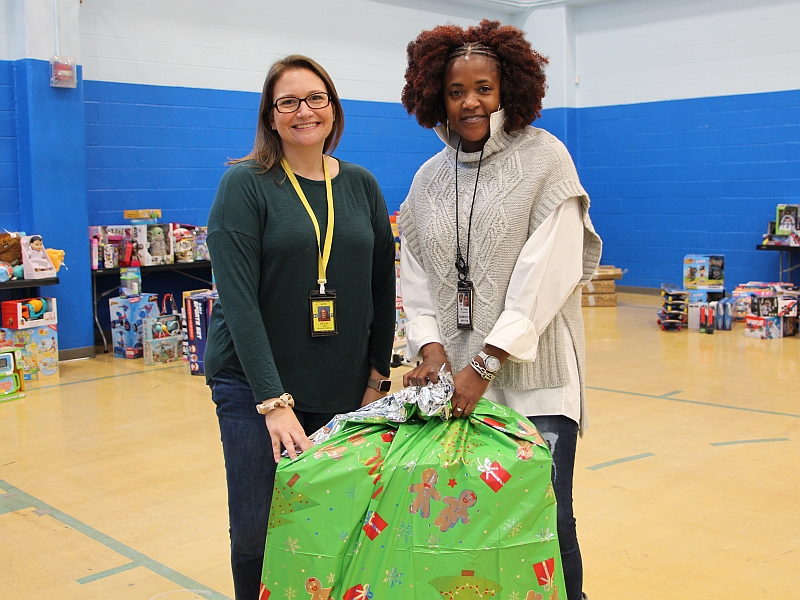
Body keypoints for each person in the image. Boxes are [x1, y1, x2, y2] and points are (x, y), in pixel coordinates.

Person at [398, 21, 602, 600]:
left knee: (544, 516)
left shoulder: (546, 160)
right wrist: (430, 347)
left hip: (535, 383)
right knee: (474, 522)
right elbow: (416, 275)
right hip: (457, 385)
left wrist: (485, 362)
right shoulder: (427, 178)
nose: (470, 102)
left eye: (483, 87)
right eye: (456, 90)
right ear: (434, 93)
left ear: (509, 87)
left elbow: (548, 275)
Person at [205, 55, 396, 600]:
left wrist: (376, 380)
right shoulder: (245, 185)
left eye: (316, 98)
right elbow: (238, 301)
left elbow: (383, 288)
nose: (303, 111)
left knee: (331, 527)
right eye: (287, 102)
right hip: (254, 389)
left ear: (333, 109)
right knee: (258, 531)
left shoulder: (361, 185)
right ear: (270, 117)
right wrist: (273, 400)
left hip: (341, 385)